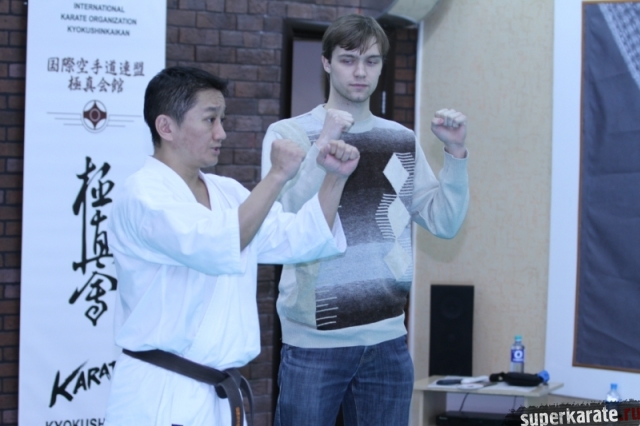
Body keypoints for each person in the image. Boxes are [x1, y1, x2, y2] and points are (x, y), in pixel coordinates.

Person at [104, 66, 360, 426]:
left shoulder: (226, 192)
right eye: (210, 119)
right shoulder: (143, 195)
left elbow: (299, 238)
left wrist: (335, 177)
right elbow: (216, 244)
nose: (221, 133)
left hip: (217, 394)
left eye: (222, 119)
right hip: (161, 393)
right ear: (166, 127)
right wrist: (277, 176)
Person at [261, 14, 470, 426]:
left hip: (387, 341)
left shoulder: (400, 139)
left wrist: (456, 154)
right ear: (326, 63)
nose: (360, 72)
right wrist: (323, 143)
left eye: (371, 61)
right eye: (348, 59)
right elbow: (284, 223)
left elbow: (444, 222)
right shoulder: (289, 134)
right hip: (314, 342)